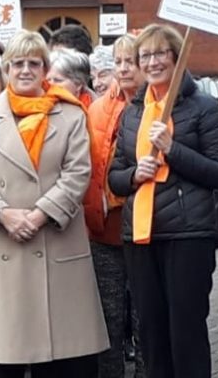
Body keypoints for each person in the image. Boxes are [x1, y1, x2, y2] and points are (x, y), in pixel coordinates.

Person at [0, 30, 108, 377]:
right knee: (7, 360)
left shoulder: (70, 116)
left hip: (54, 243)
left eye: (34, 63)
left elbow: (77, 173)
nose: (25, 70)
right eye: (18, 63)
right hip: (3, 240)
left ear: (44, 69)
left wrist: (40, 215)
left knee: (57, 362)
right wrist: (2, 213)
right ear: (7, 68)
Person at [108, 23, 218, 378]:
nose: (152, 62)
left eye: (160, 53)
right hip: (141, 238)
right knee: (151, 334)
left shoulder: (203, 108)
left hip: (187, 236)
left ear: (176, 57)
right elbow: (114, 179)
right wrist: (134, 175)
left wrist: (171, 149)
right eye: (144, 55)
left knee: (186, 334)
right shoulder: (133, 111)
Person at [83, 32, 147, 378]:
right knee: (106, 319)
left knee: (143, 318)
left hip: (143, 228)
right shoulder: (97, 108)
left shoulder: (156, 107)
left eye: (131, 61)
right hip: (103, 229)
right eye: (118, 61)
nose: (123, 69)